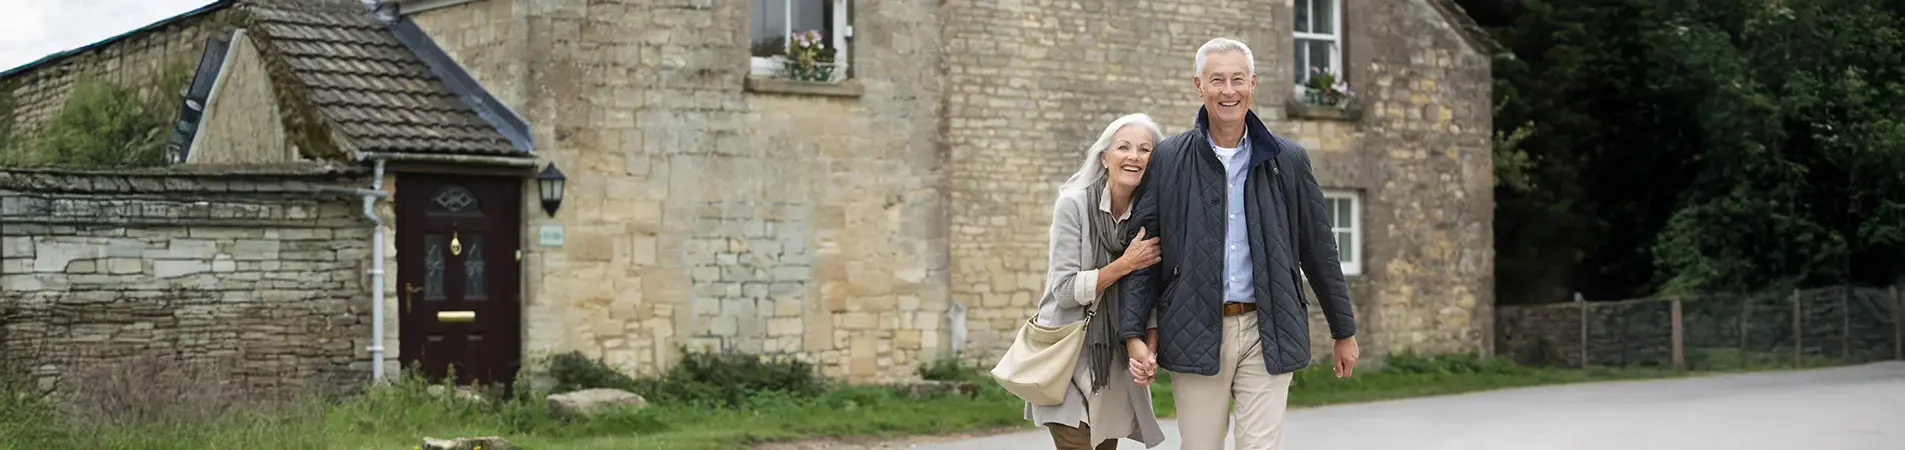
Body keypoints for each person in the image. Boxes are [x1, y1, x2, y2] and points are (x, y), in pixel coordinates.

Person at [1118, 37, 1360, 450]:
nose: (1228, 91)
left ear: (1253, 83)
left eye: (1237, 79)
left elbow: (1320, 251)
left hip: (1269, 327)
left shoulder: (1289, 160)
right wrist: (1133, 332)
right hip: (1194, 324)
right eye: (1217, 80)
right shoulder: (1169, 159)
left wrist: (1344, 329)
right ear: (1199, 86)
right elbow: (1145, 253)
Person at [1026, 113, 1169, 450]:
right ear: (1105, 158)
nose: (1134, 156)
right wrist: (1125, 264)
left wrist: (1149, 346)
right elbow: (1063, 290)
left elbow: (1150, 290)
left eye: (1145, 149)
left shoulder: (1151, 217)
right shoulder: (1073, 206)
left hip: (1113, 366)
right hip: (1067, 360)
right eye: (1123, 147)